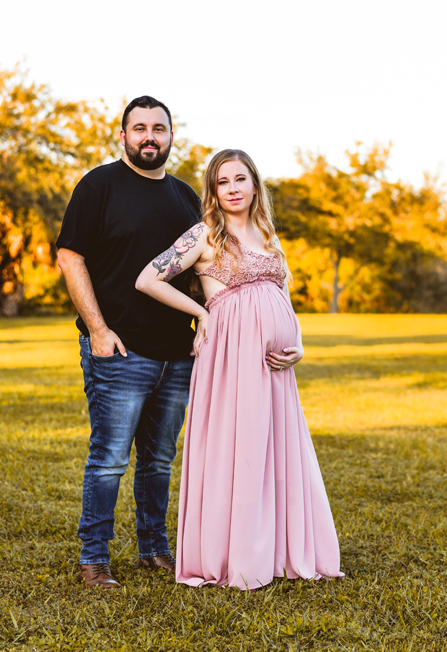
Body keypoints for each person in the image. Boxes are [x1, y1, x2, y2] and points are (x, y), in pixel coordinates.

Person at [135, 149, 343, 590]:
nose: (232, 189)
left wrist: (298, 344)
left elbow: (283, 296)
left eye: (240, 179)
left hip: (275, 366)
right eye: (222, 181)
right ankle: (234, 553)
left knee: (275, 447)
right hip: (229, 355)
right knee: (239, 446)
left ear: (254, 185)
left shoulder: (269, 236)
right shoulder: (205, 235)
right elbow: (148, 278)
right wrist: (203, 313)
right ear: (213, 190)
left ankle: (278, 550)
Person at [55, 95, 202, 590]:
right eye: (138, 128)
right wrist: (98, 329)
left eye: (158, 129)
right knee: (111, 459)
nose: (148, 137)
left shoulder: (187, 198)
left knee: (159, 459)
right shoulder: (98, 186)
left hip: (176, 355)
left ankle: (153, 549)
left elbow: (204, 273)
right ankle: (94, 558)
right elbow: (70, 259)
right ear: (122, 135)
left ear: (171, 136)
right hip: (119, 350)